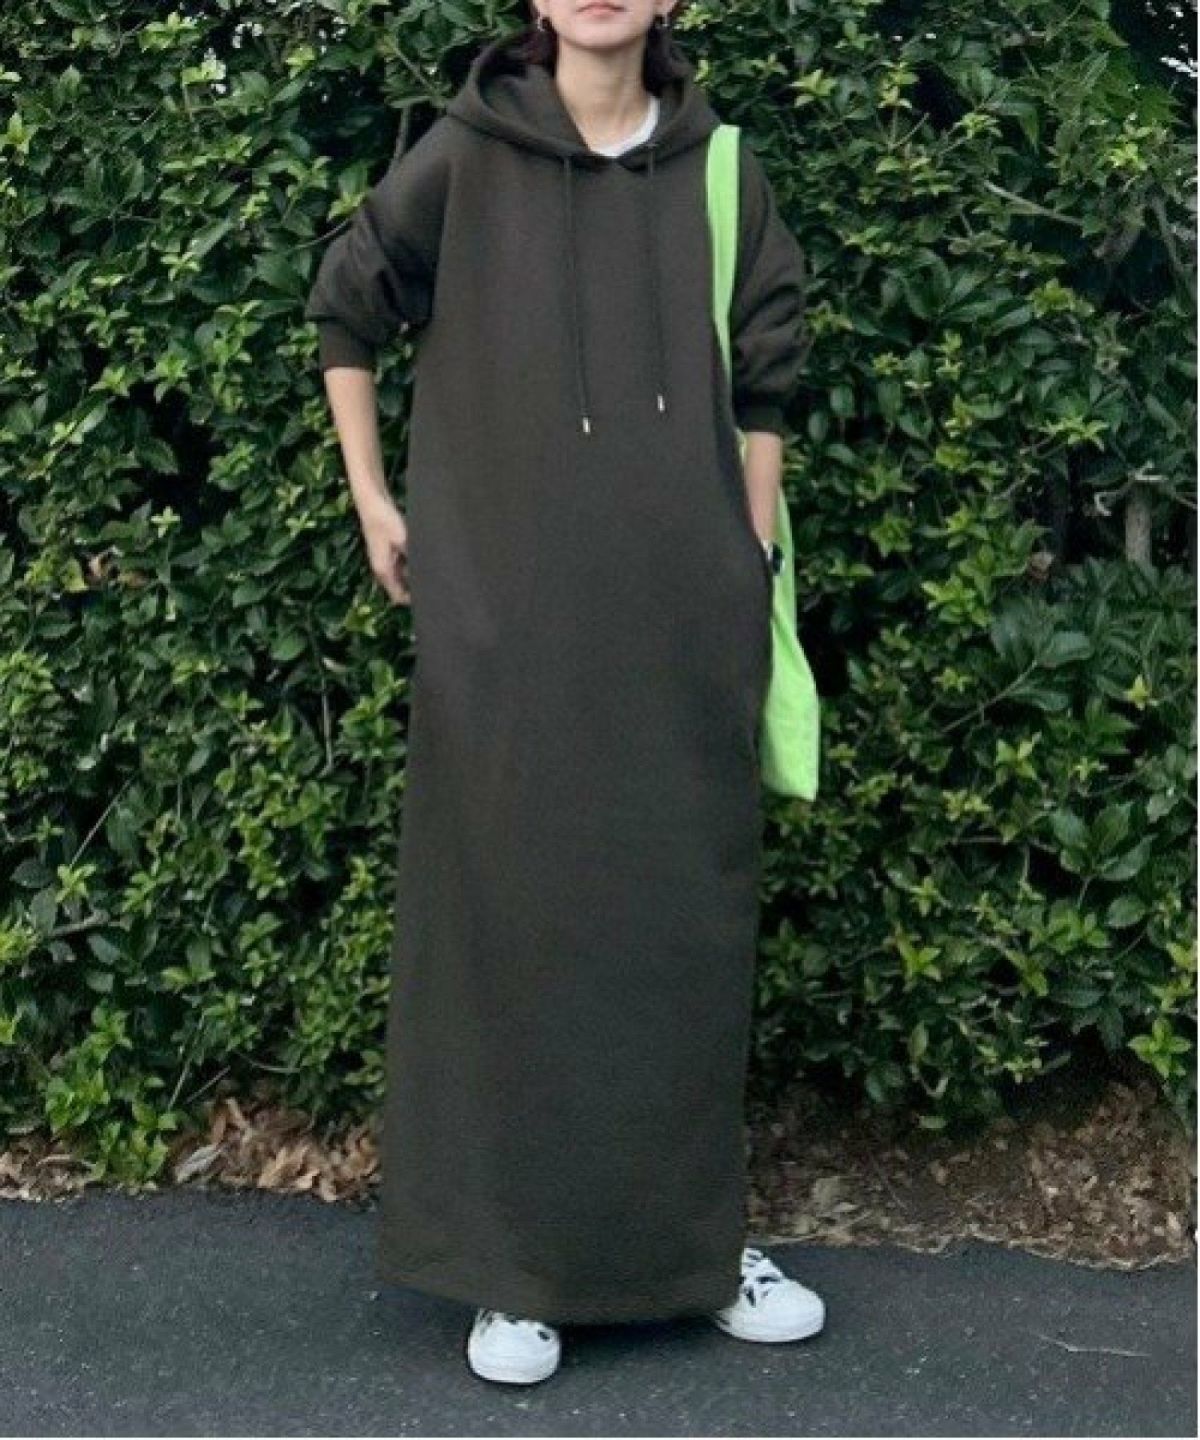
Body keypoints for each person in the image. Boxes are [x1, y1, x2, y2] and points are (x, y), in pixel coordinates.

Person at [303, 0, 825, 1386]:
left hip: (679, 624)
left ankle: (697, 1254)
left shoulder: (723, 168)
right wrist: (374, 500)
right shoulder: (466, 154)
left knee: (678, 927)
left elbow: (765, 380)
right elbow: (348, 300)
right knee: (512, 928)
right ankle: (513, 1271)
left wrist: (745, 556)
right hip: (508, 630)